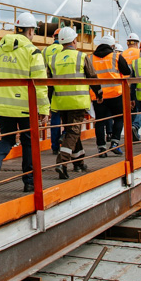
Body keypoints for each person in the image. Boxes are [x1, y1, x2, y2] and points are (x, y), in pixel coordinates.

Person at [0, 12, 49, 192]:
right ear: (30, 31)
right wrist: (43, 108)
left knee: (7, 138)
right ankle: (29, 181)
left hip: (3, 105)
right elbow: (40, 84)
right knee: (28, 143)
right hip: (26, 108)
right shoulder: (33, 52)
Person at [47, 27, 95, 179]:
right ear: (74, 41)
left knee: (72, 132)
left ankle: (78, 163)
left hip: (61, 102)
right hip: (77, 102)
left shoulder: (53, 59)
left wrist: (48, 104)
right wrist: (99, 93)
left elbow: (48, 84)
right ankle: (62, 162)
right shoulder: (81, 56)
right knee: (73, 132)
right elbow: (92, 77)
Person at [86, 35, 132, 156]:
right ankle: (115, 143)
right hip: (115, 93)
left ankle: (101, 148)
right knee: (119, 118)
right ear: (112, 46)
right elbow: (127, 71)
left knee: (100, 121)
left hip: (98, 95)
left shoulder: (90, 58)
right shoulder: (116, 56)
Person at [42, 29, 65, 154]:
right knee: (67, 116)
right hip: (64, 86)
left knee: (54, 115)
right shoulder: (64, 50)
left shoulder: (45, 50)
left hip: (48, 86)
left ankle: (55, 146)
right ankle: (65, 135)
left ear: (53, 36)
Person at [121, 33, 141, 138]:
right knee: (140, 109)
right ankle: (135, 127)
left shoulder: (122, 54)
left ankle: (132, 134)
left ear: (127, 43)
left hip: (124, 86)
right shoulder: (140, 53)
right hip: (137, 85)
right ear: (137, 43)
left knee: (129, 111)